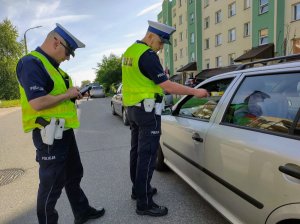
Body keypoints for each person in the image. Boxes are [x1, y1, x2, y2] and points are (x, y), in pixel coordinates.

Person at [16, 23, 105, 224]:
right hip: (49, 134)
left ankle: (82, 211)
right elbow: (37, 102)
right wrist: (67, 94)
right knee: (51, 185)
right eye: (68, 52)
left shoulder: (55, 69)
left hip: (63, 131)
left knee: (74, 174)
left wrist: (74, 95)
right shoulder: (31, 62)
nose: (67, 57)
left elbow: (58, 99)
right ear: (56, 41)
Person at [122, 20, 209, 217]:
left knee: (136, 152)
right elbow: (167, 86)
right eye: (160, 43)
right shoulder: (147, 55)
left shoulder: (129, 51)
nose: (161, 48)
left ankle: (138, 190)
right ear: (151, 35)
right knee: (148, 156)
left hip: (133, 110)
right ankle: (144, 204)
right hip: (147, 111)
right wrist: (195, 92)